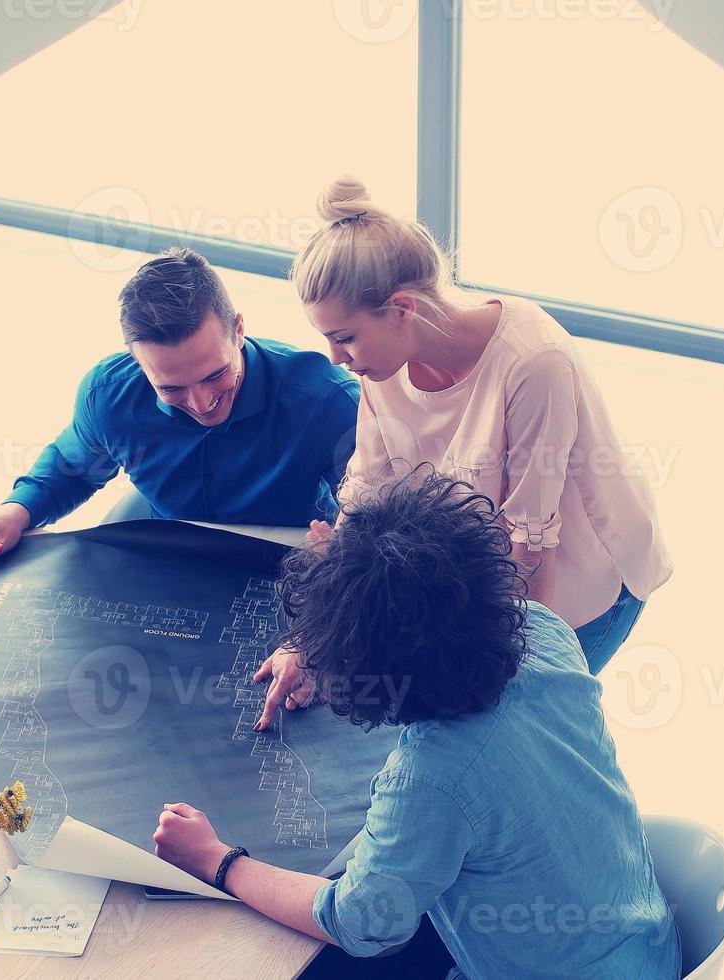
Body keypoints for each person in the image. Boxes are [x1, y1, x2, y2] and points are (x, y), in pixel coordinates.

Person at [152, 471, 682, 980]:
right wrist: (327, 648)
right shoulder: (546, 633)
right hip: (643, 952)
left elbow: (359, 925)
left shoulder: (430, 779)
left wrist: (217, 861)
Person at [256, 177, 668, 691]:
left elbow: (529, 544)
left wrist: (515, 684)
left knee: (521, 729)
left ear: (402, 309)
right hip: (490, 558)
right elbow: (367, 494)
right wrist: (314, 640)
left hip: (582, 579)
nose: (336, 358)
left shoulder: (533, 362)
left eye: (345, 338)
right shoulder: (382, 364)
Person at [0, 247, 359, 569]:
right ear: (137, 360)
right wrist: (13, 512)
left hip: (292, 563)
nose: (202, 403)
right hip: (167, 555)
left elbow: (377, 520)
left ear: (239, 330)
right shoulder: (109, 393)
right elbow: (70, 468)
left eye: (215, 375)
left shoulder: (328, 400)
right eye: (171, 388)